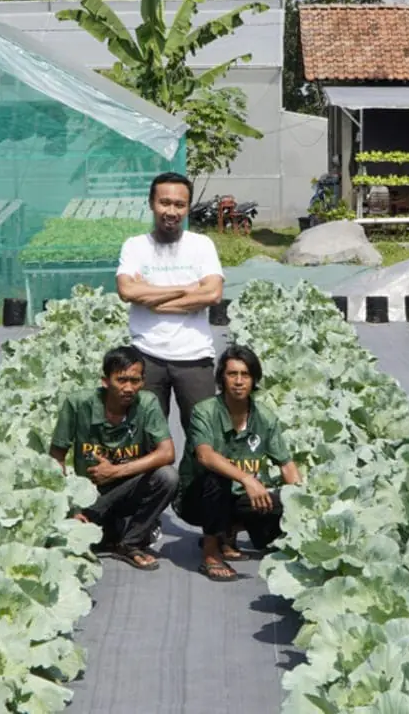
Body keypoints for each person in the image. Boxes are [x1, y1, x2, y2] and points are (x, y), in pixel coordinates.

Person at [116, 172, 224, 543]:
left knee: (206, 442)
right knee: (147, 443)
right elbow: (127, 291)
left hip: (195, 358)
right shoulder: (135, 246)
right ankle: (146, 521)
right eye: (165, 202)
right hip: (146, 358)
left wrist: (154, 297)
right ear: (152, 204)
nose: (171, 211)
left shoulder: (202, 245)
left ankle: (209, 522)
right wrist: (186, 290)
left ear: (188, 207)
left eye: (179, 204)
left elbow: (212, 294)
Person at [175, 345, 300, 582]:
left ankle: (228, 530)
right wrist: (247, 479)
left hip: (239, 498)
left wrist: (301, 502)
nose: (239, 381)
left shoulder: (264, 417)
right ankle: (211, 552)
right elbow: (205, 456)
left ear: (254, 380)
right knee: (218, 475)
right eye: (232, 374)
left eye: (246, 375)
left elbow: (286, 465)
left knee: (284, 503)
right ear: (222, 378)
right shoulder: (205, 411)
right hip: (198, 499)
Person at [50, 346, 179, 571]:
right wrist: (70, 507)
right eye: (121, 380)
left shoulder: (147, 403)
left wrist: (115, 471)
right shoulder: (78, 404)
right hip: (90, 497)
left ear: (143, 382)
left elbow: (167, 453)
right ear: (105, 381)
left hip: (129, 491)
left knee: (168, 477)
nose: (128, 388)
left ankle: (130, 543)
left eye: (135, 381)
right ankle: (110, 531)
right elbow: (56, 459)